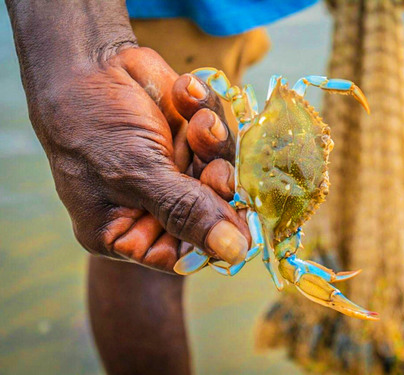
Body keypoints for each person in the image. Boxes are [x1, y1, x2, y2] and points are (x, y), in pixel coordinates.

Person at [6, 0, 317, 373]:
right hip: (156, 11)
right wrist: (87, 54)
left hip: (220, 12)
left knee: (168, 200)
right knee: (146, 226)